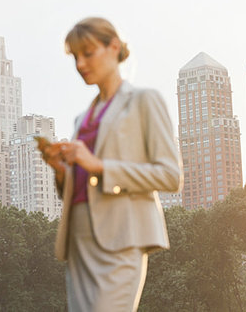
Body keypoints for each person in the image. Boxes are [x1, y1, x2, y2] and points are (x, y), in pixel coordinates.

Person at [40, 17, 183, 312]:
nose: (80, 64)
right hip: (78, 240)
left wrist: (99, 165)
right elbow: (81, 186)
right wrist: (61, 170)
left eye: (88, 53)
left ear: (114, 47)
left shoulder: (144, 101)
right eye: (75, 57)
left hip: (121, 237)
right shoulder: (82, 118)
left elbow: (170, 175)